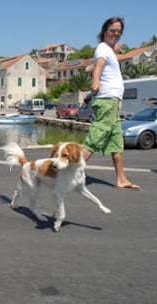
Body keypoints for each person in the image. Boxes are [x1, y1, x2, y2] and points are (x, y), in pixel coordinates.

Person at [82, 17, 139, 190]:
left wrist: (92, 69)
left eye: (118, 32)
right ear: (105, 31)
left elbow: (95, 65)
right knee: (95, 139)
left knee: (116, 143)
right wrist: (95, 81)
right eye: (112, 30)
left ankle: (121, 179)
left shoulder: (108, 51)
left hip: (113, 102)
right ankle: (62, 172)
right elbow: (99, 64)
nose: (115, 34)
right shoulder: (103, 48)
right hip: (106, 101)